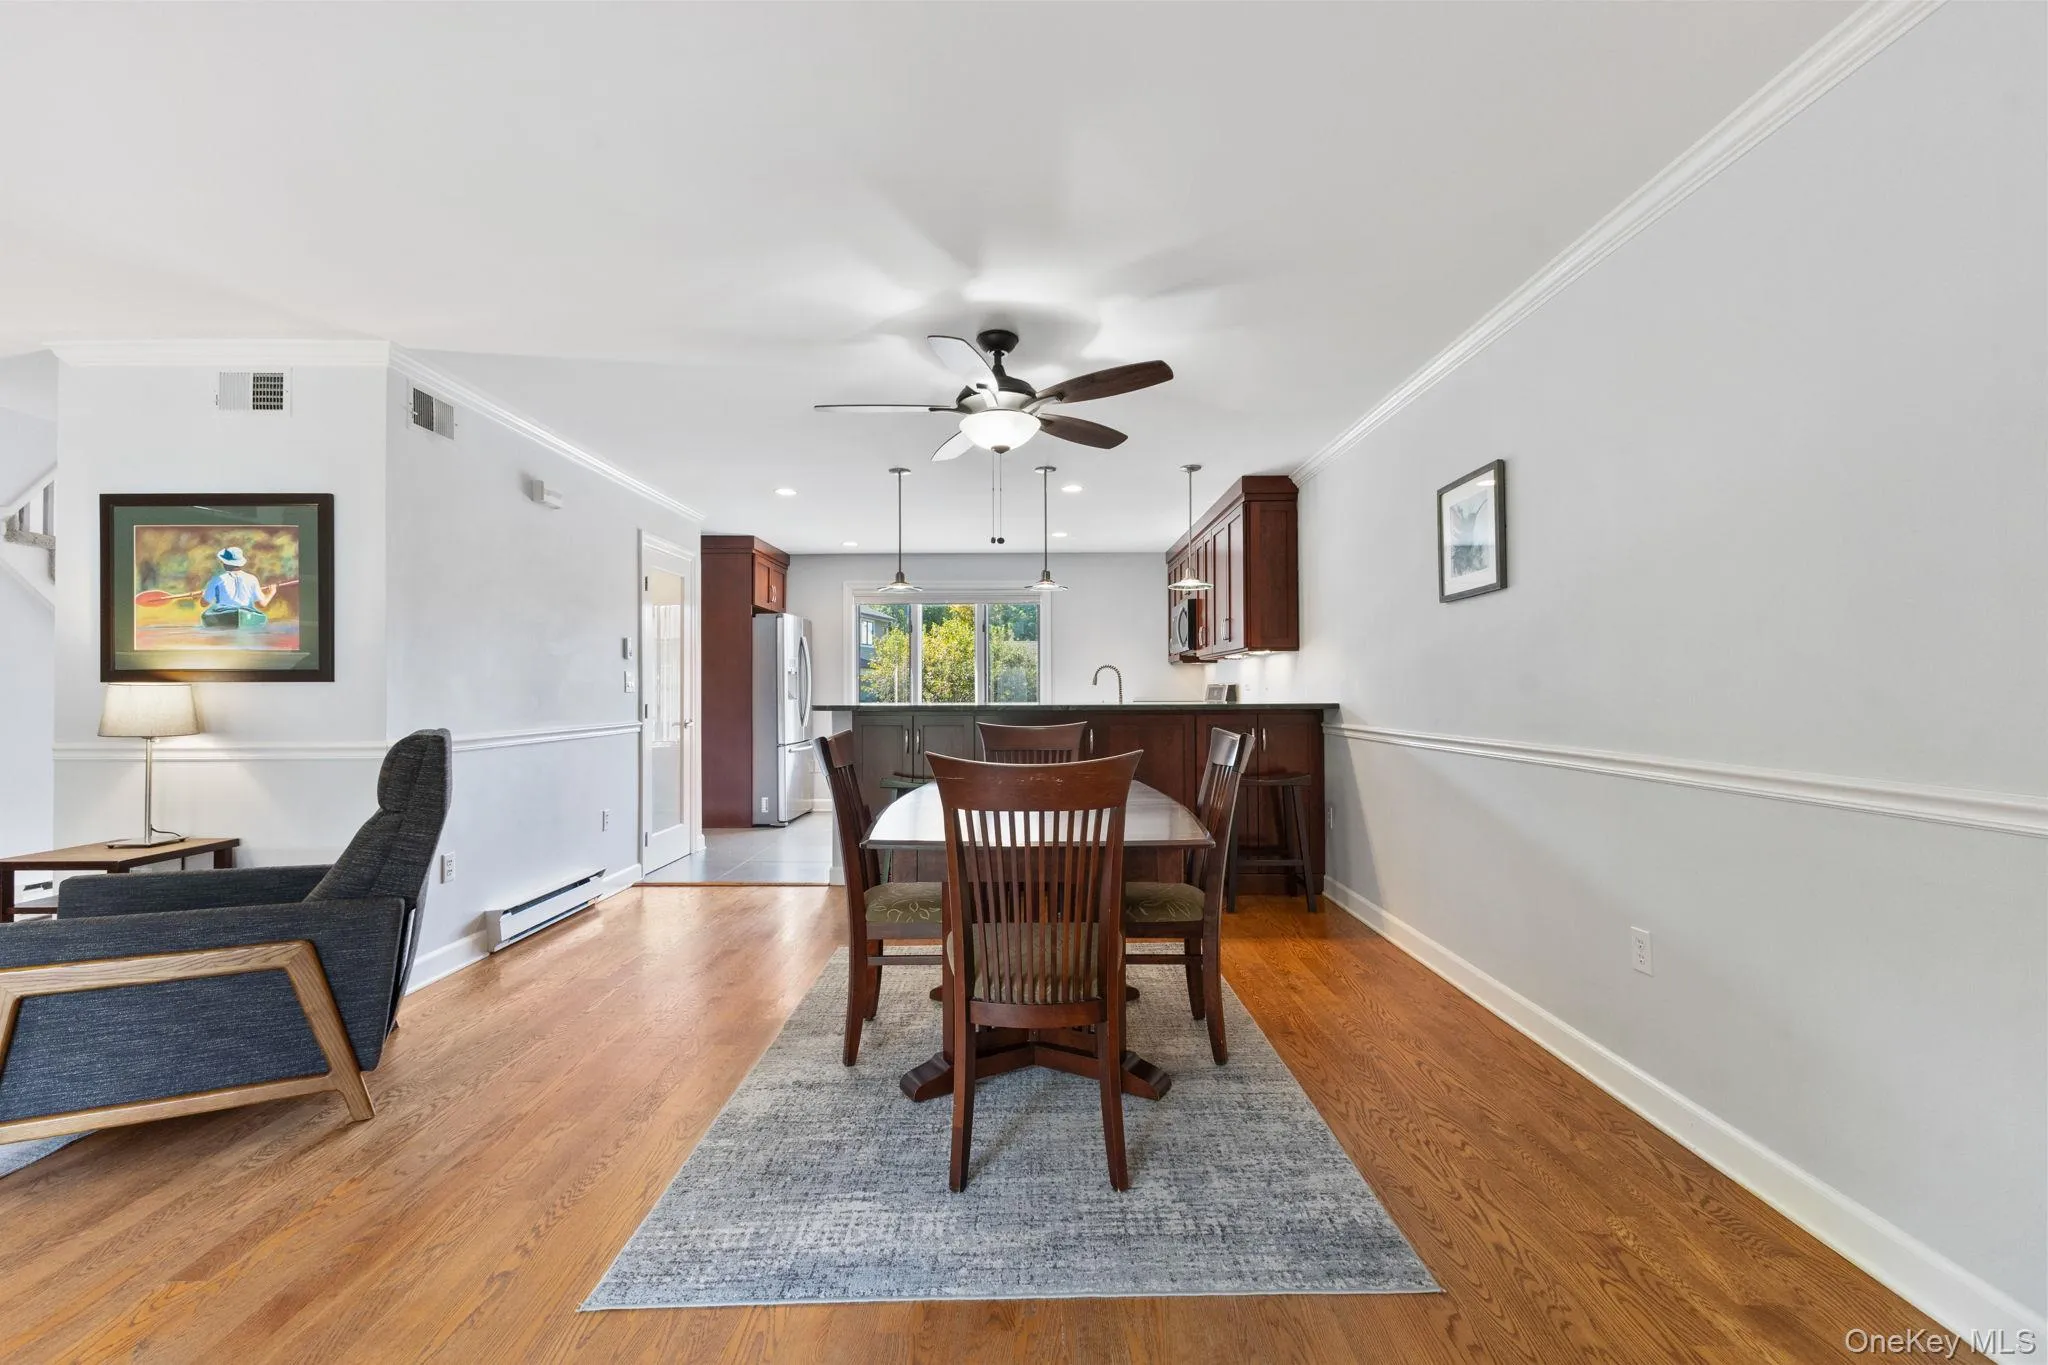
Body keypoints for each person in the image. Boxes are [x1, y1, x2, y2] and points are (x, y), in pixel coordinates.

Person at [199, 546, 276, 628]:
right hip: (246, 611)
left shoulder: (217, 579)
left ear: (225, 563)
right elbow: (262, 604)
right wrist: (271, 593)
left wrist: (203, 595)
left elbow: (204, 603)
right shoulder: (252, 579)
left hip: (222, 613)